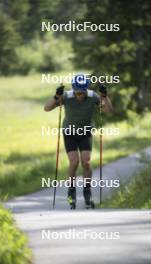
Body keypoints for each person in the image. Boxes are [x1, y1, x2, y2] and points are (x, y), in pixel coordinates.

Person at [44, 74, 113, 209]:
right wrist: (56, 97)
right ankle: (71, 192)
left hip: (85, 132)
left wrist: (104, 97)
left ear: (86, 89)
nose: (80, 95)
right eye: (77, 92)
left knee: (86, 162)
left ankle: (87, 193)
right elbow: (47, 108)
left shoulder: (92, 96)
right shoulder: (67, 97)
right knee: (74, 162)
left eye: (82, 92)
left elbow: (108, 110)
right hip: (69, 132)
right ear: (74, 89)